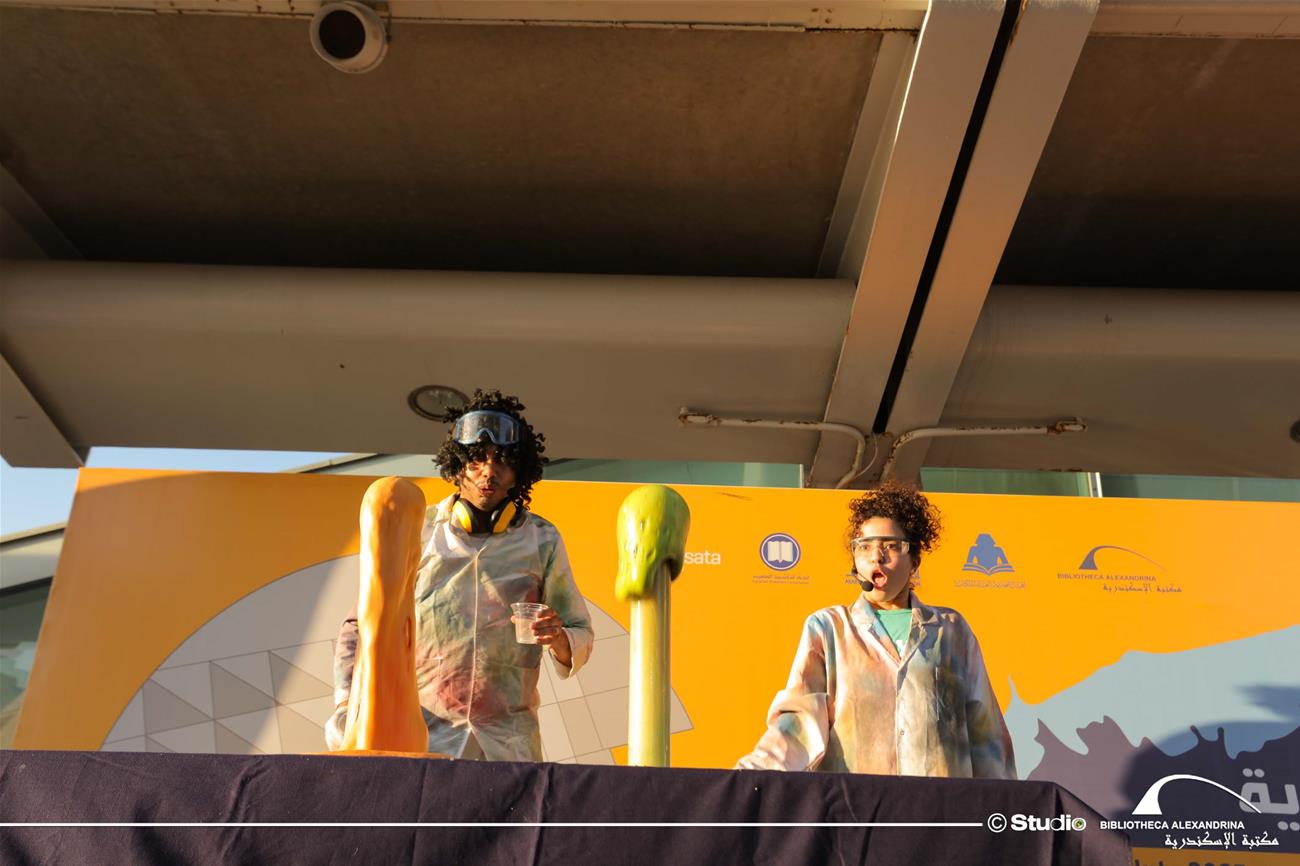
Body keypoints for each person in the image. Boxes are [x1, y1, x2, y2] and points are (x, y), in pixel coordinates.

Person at [326, 390, 594, 760]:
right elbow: (360, 627)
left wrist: (558, 638)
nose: (489, 472)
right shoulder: (419, 530)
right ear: (456, 467)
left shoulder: (542, 539)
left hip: (509, 746)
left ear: (519, 473)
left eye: (502, 461)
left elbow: (580, 631)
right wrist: (346, 706)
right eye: (477, 459)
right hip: (427, 741)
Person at [736, 482, 1015, 778]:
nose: (876, 556)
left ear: (915, 560)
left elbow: (986, 735)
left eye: (891, 546)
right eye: (864, 546)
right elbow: (798, 722)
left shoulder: (951, 629)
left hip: (940, 804)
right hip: (856, 803)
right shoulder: (829, 628)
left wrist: (1006, 801)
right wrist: (744, 778)